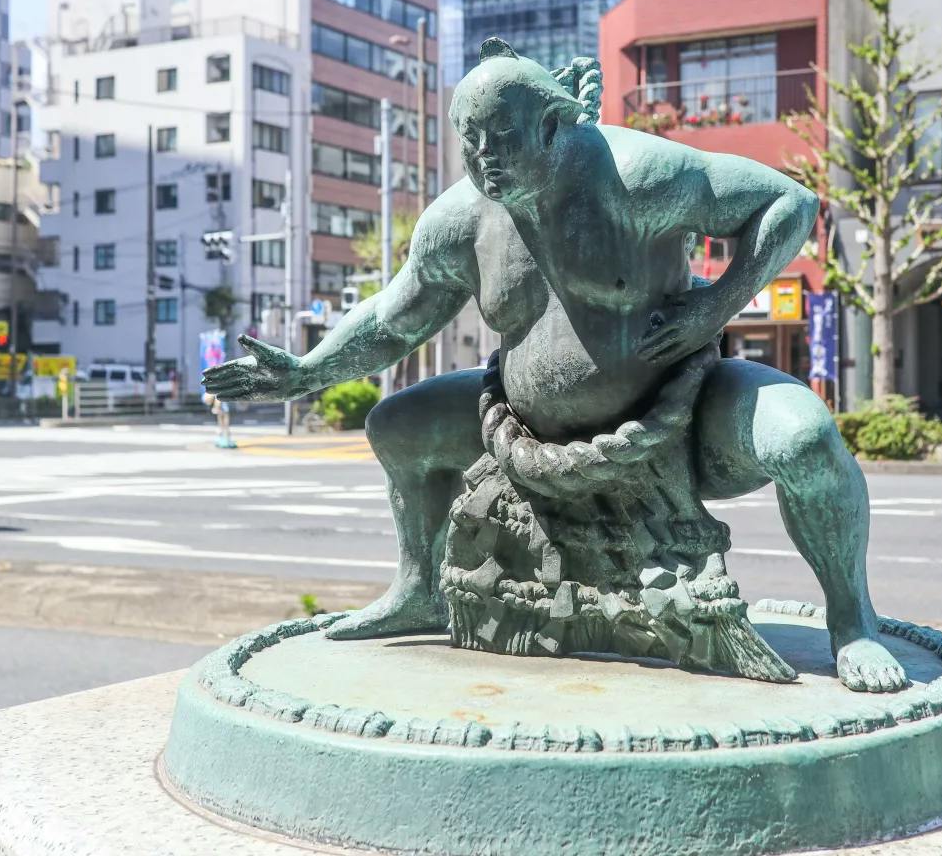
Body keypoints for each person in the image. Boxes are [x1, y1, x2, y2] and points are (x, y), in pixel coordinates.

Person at [204, 39, 906, 693]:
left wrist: (714, 306)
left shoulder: (637, 177)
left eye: (502, 139)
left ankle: (852, 619)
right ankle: (416, 590)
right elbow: (395, 318)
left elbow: (789, 202)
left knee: (805, 440)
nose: (485, 160)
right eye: (471, 144)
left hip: (682, 420)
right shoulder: (462, 219)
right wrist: (305, 371)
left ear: (551, 125)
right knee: (398, 425)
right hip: (522, 434)